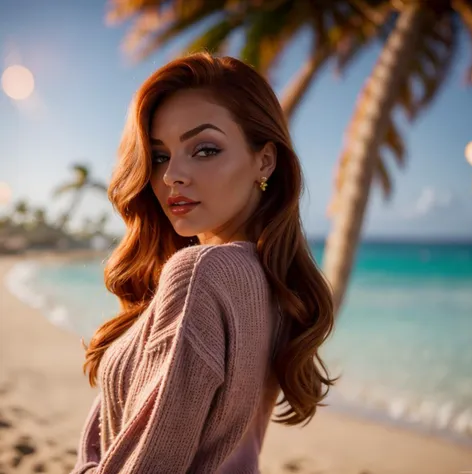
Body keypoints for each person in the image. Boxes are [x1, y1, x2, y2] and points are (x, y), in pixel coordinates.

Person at [71, 52, 337, 474]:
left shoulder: (203, 274)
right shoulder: (268, 282)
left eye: (205, 149)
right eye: (159, 156)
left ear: (264, 161)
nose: (173, 174)